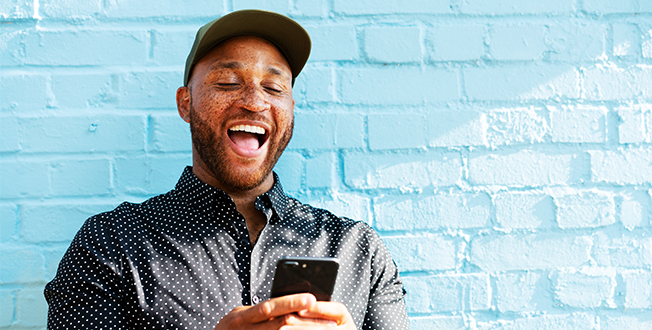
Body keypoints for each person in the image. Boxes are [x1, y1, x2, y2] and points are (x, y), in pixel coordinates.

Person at [44, 9, 409, 330]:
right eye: (228, 83)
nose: (254, 101)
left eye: (273, 86)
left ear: (291, 109)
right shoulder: (110, 244)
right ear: (186, 104)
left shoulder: (359, 251)